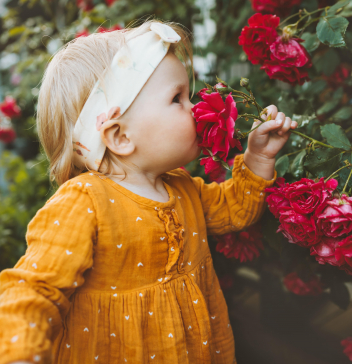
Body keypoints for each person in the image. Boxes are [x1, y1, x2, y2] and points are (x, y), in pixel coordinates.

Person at [0, 19, 297, 364]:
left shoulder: (181, 186)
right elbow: (35, 288)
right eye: (177, 98)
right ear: (120, 137)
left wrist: (258, 157)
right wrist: (21, 354)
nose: (195, 107)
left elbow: (235, 210)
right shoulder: (83, 203)